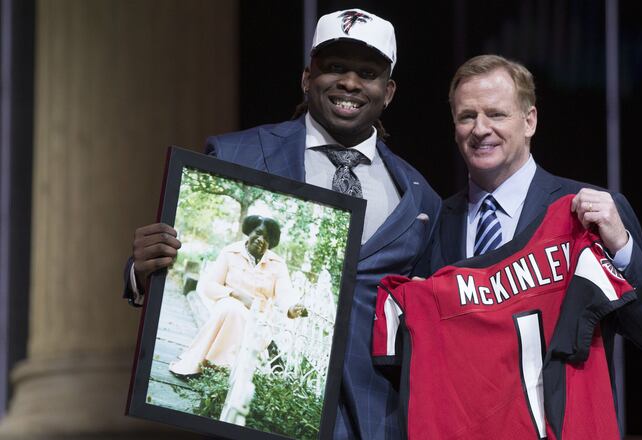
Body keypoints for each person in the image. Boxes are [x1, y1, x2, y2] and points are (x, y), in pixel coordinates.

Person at [124, 8, 441, 439]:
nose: (349, 83)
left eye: (367, 73)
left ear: (388, 91)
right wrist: (142, 271)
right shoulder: (236, 155)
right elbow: (179, 275)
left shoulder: (420, 198)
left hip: (373, 420)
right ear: (307, 78)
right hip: (261, 417)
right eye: (334, 68)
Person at [418, 54, 642, 423]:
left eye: (496, 114)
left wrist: (621, 248)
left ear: (530, 120)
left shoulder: (587, 215)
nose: (480, 129)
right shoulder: (436, 222)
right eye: (467, 116)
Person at [169, 215, 305, 376]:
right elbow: (210, 286)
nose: (261, 239)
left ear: (270, 244)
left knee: (241, 316)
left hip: (258, 316)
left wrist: (291, 307)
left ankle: (217, 370)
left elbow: (285, 292)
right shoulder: (230, 252)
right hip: (227, 304)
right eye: (258, 233)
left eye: (267, 238)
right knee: (232, 310)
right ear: (250, 231)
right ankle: (216, 368)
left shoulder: (278, 264)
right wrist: (235, 294)